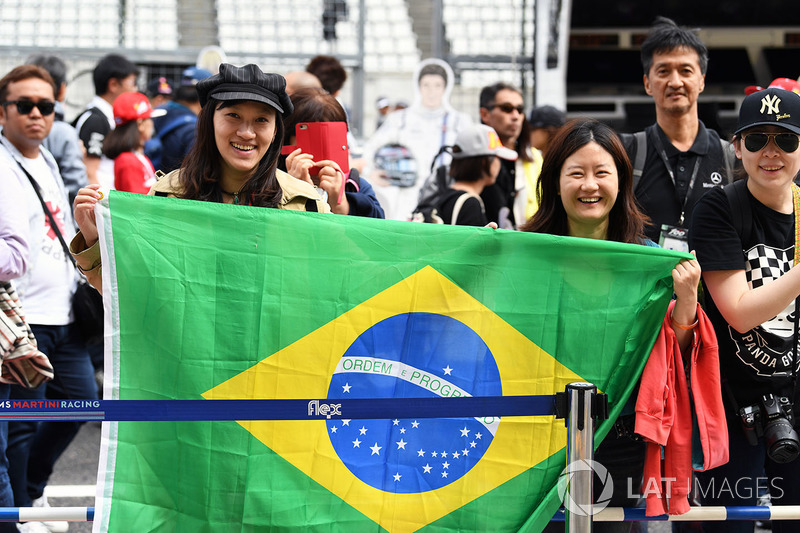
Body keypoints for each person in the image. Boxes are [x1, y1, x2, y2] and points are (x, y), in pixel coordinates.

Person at [521, 119, 703, 533]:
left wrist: (687, 301)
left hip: (619, 439)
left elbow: (675, 354)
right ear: (553, 181)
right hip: (536, 437)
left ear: (621, 181)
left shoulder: (649, 260)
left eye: (602, 172)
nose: (590, 185)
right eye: (576, 173)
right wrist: (491, 262)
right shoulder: (524, 253)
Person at [71, 63, 330, 294]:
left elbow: (326, 292)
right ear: (209, 121)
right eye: (233, 115)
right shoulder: (167, 196)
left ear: (275, 132)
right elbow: (134, 291)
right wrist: (93, 240)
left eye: (262, 120)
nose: (246, 132)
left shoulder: (305, 204)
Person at [689, 87, 800, 533]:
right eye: (757, 140)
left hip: (794, 397)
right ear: (737, 147)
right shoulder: (718, 208)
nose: (770, 153)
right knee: (726, 526)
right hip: (729, 406)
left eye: (786, 140)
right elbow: (739, 311)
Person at [0, 64, 96, 533]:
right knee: (18, 425)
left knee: (82, 401)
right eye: (25, 105)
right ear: (3, 112)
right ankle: (19, 510)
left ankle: (31, 494)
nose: (37, 114)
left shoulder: (49, 159)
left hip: (64, 310)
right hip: (22, 317)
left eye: (46, 106)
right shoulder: (2, 163)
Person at [620, 17, 735, 248]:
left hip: (713, 283)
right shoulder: (627, 152)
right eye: (663, 71)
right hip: (646, 283)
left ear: (701, 81)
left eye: (685, 70)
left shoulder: (731, 157)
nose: (675, 82)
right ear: (647, 83)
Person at [362, 59, 472, 220]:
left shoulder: (459, 121)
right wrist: (370, 172)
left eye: (437, 85)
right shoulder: (400, 120)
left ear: (445, 88)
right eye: (426, 85)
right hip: (406, 197)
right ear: (418, 87)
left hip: (445, 196)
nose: (431, 91)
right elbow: (370, 150)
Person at [281, 87, 384, 218]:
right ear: (286, 142)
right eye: (311, 140)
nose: (321, 156)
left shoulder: (356, 186)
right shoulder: (269, 183)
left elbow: (377, 231)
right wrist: (293, 191)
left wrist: (341, 205)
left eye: (332, 139)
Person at [26, 54, 89, 209]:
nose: (36, 116)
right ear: (62, 89)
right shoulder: (64, 132)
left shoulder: (9, 127)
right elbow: (77, 188)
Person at [72, 54, 139, 189]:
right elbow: (90, 171)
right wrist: (100, 206)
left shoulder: (109, 117)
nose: (135, 89)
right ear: (113, 84)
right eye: (132, 83)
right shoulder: (95, 120)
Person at [436, 124, 517, 226]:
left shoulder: (448, 194)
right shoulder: (470, 204)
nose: (499, 164)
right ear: (484, 162)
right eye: (497, 158)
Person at [478, 82, 534, 228]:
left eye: (520, 109)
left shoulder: (535, 158)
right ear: (484, 114)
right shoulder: (471, 160)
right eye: (507, 108)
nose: (515, 116)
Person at [146, 66, 211, 174]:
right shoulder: (194, 129)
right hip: (170, 187)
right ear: (204, 98)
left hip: (145, 184)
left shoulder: (155, 113)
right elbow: (195, 173)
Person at [103, 92, 166, 194]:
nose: (152, 123)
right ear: (140, 124)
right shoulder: (128, 161)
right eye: (149, 118)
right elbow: (137, 203)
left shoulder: (137, 156)